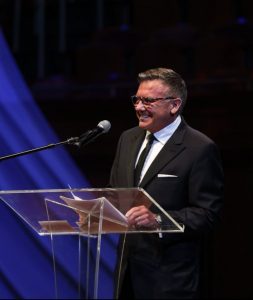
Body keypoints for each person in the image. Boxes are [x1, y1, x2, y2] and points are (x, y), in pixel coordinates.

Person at [109, 67, 224, 299]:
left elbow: (208, 215)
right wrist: (94, 213)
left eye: (149, 101)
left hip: (169, 280)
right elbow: (115, 194)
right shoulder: (128, 138)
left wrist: (158, 220)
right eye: (137, 99)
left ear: (174, 105)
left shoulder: (199, 148)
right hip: (127, 274)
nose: (139, 107)